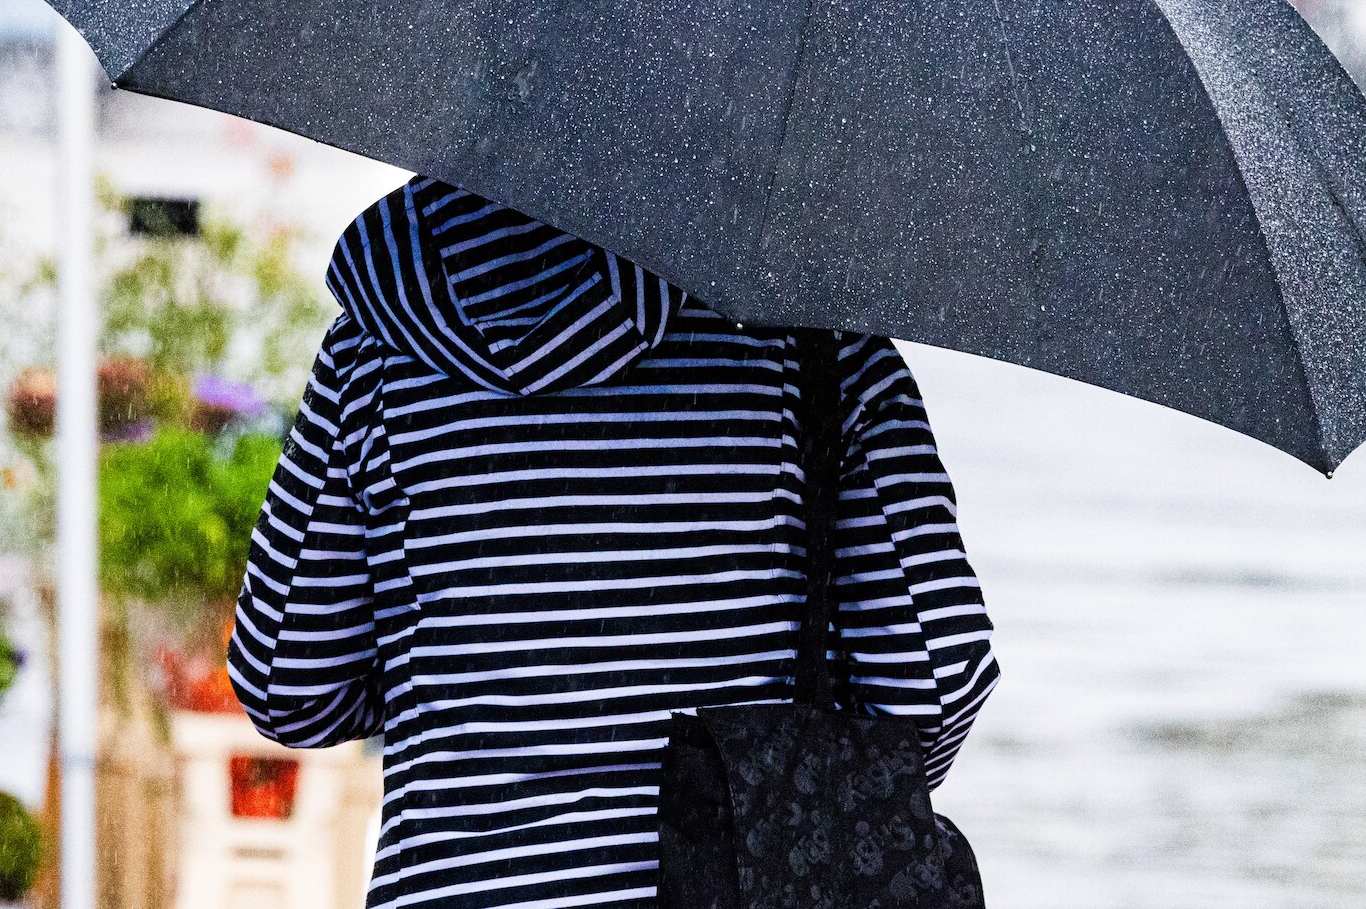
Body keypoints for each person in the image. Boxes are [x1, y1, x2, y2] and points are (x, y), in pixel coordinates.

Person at [229, 176, 998, 909]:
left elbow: (286, 687)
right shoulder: (816, 344)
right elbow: (935, 685)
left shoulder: (373, 349)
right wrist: (779, 766)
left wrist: (448, 671)